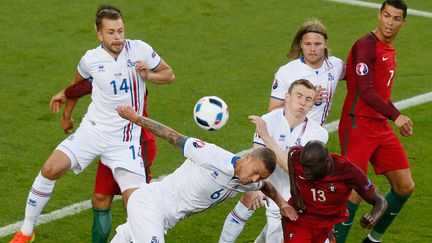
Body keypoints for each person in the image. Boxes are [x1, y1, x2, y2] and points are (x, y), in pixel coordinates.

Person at [10, 4, 175, 243]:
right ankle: (26, 231)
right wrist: (67, 114)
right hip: (93, 132)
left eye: (120, 31)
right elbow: (79, 85)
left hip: (126, 141)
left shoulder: (140, 50)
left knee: (138, 208)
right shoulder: (91, 59)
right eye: (111, 32)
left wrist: (149, 75)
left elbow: (169, 75)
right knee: (49, 169)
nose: (118, 37)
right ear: (99, 33)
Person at [219, 19, 345, 243]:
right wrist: (306, 101)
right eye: (307, 43)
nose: (313, 48)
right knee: (252, 196)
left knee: (287, 211)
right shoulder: (288, 72)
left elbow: (353, 73)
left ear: (326, 44)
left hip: (308, 143)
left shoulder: (335, 66)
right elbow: (274, 111)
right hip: (280, 139)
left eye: (318, 43)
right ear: (300, 44)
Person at [111, 105, 297, 243]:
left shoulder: (249, 181)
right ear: (248, 157)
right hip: (150, 206)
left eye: (260, 176)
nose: (254, 179)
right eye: (256, 172)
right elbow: (171, 136)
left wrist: (282, 204)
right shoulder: (212, 156)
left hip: (163, 219)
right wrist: (136, 119)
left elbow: (266, 186)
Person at [335, 1, 414, 243]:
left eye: (396, 19)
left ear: (404, 22)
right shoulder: (366, 46)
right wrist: (396, 116)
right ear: (379, 15)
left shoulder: (388, 48)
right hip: (357, 124)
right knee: (355, 190)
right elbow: (365, 90)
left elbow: (381, 93)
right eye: (386, 16)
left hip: (380, 126)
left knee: (404, 187)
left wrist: (394, 113)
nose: (390, 23)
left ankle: (372, 240)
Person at [50, 79, 160, 243]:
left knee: (135, 206)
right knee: (100, 198)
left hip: (137, 145)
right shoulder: (107, 64)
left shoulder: (132, 67)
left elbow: (167, 75)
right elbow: (91, 81)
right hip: (112, 144)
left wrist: (65, 94)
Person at [278, 140, 387, 243]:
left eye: (311, 168)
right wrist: (294, 192)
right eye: (304, 167)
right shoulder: (297, 157)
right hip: (300, 220)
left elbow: (380, 201)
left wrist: (373, 217)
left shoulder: (349, 172)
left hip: (326, 225)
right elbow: (292, 154)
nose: (306, 172)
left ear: (327, 162)